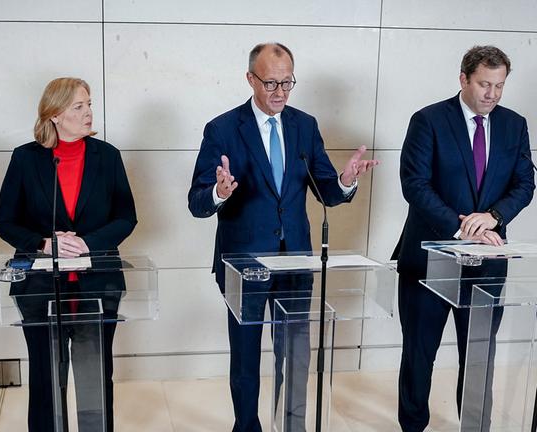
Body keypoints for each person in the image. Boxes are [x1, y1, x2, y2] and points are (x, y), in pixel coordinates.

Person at [188, 42, 377, 431]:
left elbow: (325, 188)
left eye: (287, 82)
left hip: (295, 262)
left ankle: (291, 425)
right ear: (250, 79)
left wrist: (344, 181)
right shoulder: (223, 129)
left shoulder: (304, 126)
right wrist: (219, 192)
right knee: (246, 357)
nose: (280, 92)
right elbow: (197, 202)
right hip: (244, 264)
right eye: (271, 83)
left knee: (294, 355)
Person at [394, 45, 534, 431]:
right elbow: (415, 185)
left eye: (499, 86)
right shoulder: (428, 120)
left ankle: (474, 426)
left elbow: (525, 184)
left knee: (478, 357)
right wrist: (463, 228)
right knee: (419, 354)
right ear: (464, 79)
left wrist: (493, 217)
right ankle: (412, 426)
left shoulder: (514, 125)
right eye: (484, 84)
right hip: (428, 260)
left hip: (487, 264)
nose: (492, 94)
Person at [0, 77, 137, 431]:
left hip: (97, 286)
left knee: (95, 377)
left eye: (89, 104)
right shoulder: (26, 158)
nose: (88, 112)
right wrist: (43, 243)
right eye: (78, 106)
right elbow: (5, 221)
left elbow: (126, 217)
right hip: (40, 289)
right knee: (46, 380)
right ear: (54, 114)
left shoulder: (108, 156)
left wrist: (87, 242)